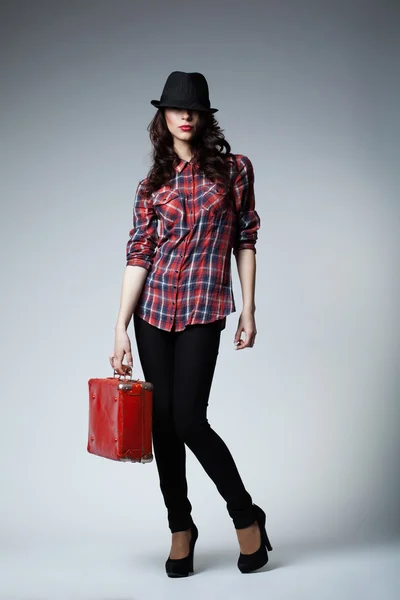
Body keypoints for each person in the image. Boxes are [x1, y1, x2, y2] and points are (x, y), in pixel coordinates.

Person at [109, 71, 272, 577]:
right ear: (163, 117)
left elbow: (246, 237)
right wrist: (119, 328)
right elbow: (139, 254)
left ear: (204, 117)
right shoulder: (151, 186)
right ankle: (181, 527)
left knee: (189, 419)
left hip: (204, 306)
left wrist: (248, 307)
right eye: (175, 109)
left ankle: (246, 517)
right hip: (153, 311)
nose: (184, 116)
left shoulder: (233, 170)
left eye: (193, 110)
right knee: (162, 426)